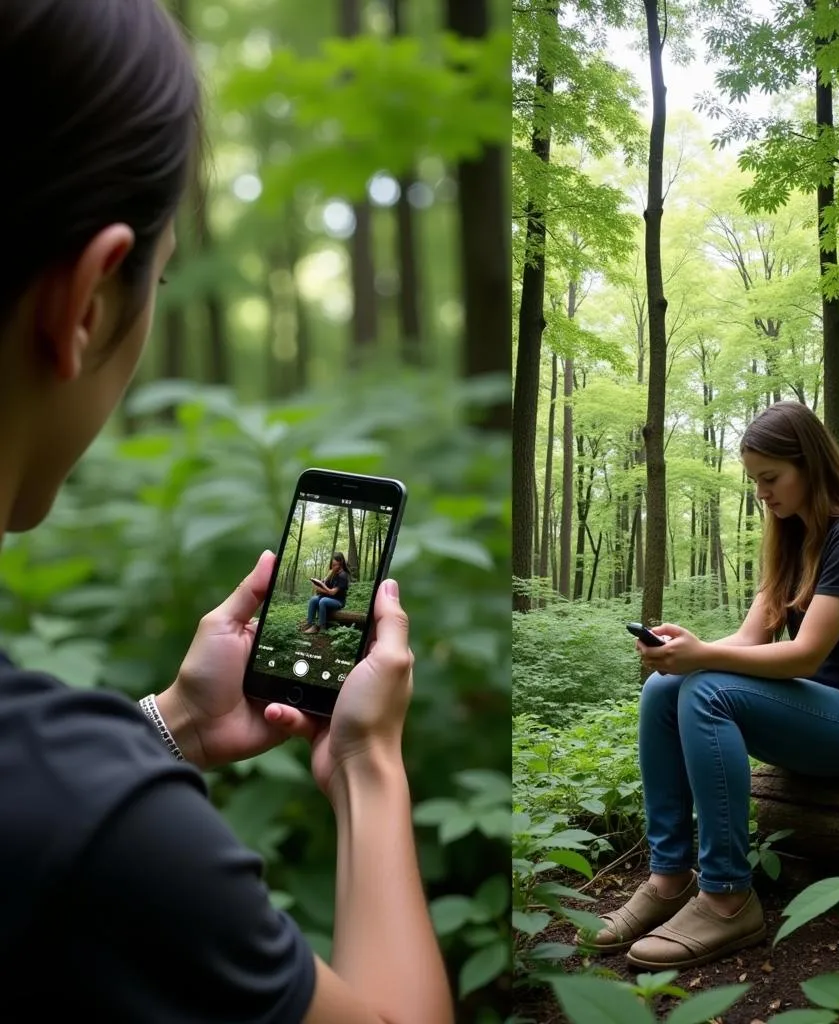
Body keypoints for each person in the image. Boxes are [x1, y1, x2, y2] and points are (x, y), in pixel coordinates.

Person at [0, 4, 453, 1023]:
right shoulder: (108, 836)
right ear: (86, 299)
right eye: (156, 282)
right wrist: (369, 764)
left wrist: (171, 727)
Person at [581, 401, 839, 971]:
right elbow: (749, 638)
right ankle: (669, 878)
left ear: (811, 465)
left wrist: (702, 660)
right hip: (818, 717)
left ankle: (727, 895)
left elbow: (807, 656)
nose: (762, 493)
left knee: (705, 687)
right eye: (755, 481)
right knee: (665, 689)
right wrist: (685, 650)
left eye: (771, 478)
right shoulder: (791, 535)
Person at [303, 552, 350, 633]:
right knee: (313, 599)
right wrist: (321, 582)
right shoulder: (333, 573)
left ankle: (322, 627)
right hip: (329, 598)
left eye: (335, 565)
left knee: (323, 601)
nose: (333, 567)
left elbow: (332, 593)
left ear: (341, 563)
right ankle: (310, 624)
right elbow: (326, 585)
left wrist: (322, 588)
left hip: (338, 601)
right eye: (332, 565)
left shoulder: (343, 576)